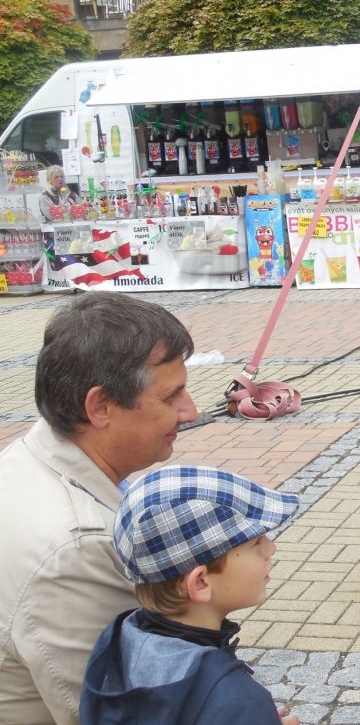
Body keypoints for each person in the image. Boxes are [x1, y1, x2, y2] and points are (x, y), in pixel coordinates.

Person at [0, 292, 198, 725]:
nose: (190, 411)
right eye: (171, 397)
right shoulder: (74, 549)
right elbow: (117, 714)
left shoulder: (30, 458)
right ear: (100, 407)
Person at [80, 466, 300, 725]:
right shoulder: (238, 700)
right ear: (200, 582)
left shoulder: (115, 645)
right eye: (255, 542)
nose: (271, 548)